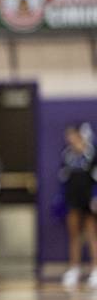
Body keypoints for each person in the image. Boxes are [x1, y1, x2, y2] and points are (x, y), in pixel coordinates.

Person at [59, 124, 97, 290]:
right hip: (73, 200)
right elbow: (63, 177)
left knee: (91, 234)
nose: (70, 139)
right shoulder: (67, 155)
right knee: (74, 235)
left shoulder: (92, 154)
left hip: (89, 200)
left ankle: (95, 269)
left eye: (73, 136)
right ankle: (74, 269)